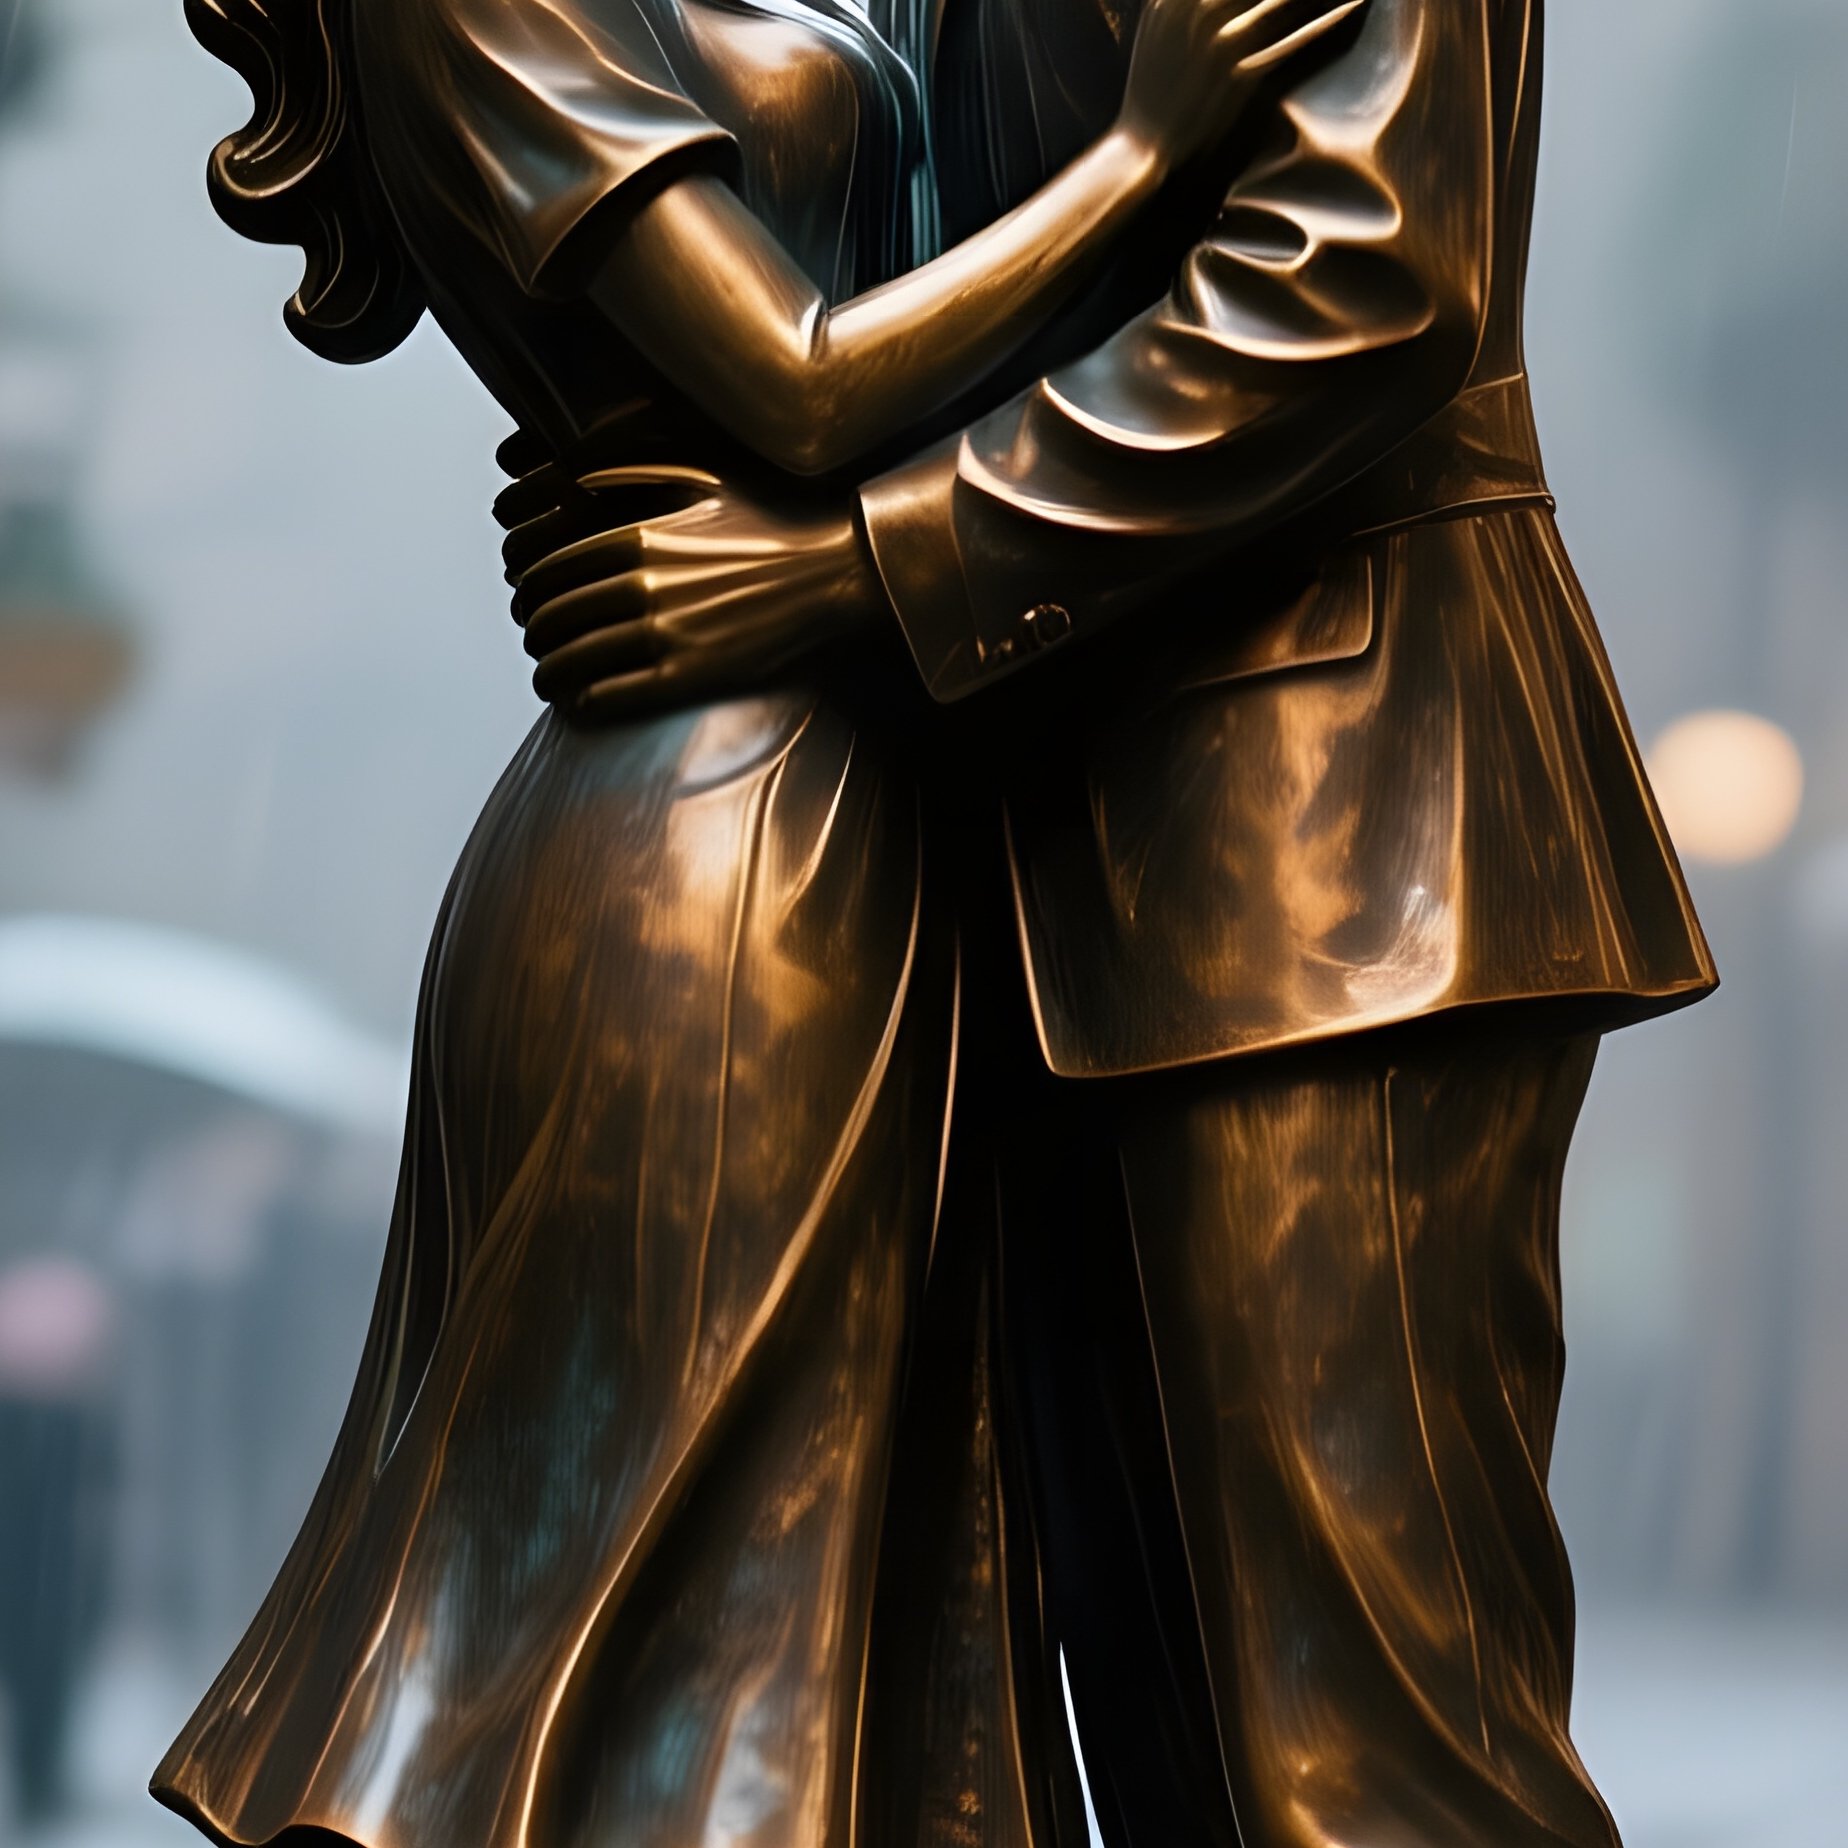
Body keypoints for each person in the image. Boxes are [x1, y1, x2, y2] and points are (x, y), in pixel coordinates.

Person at [154, 4, 1717, 1848]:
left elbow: (1361, 276)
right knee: (1166, 1753)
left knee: (1359, 1762)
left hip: (1333, 856)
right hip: (997, 874)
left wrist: (859, 565)